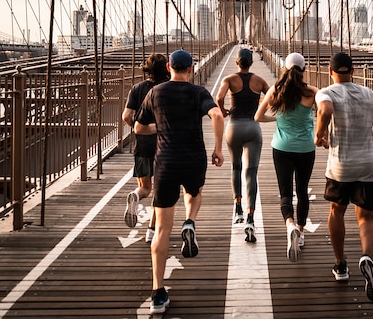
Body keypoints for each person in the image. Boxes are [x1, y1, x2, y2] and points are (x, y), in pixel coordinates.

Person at [134, 49, 224, 314]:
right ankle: (190, 221)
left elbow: (138, 127)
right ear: (192, 69)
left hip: (165, 163)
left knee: (161, 229)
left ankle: (158, 294)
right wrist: (218, 149)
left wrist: (158, 128)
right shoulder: (199, 93)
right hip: (193, 159)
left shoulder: (155, 92)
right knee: (194, 194)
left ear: (170, 67)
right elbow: (217, 116)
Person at [314, 52, 373, 302]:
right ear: (353, 71)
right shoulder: (368, 93)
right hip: (368, 166)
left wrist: (320, 133)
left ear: (331, 71)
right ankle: (367, 257)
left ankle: (340, 265)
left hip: (341, 166)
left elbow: (325, 110)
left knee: (336, 212)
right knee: (366, 217)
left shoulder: (327, 92)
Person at [255, 53, 318, 262]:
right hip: (305, 149)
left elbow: (257, 116)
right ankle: (300, 233)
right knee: (302, 191)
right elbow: (328, 105)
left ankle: (289, 224)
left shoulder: (275, 91)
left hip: (281, 148)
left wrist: (277, 119)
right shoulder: (310, 93)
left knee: (285, 192)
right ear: (304, 70)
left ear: (284, 68)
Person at [216, 48, 269, 243]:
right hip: (253, 128)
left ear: (237, 62)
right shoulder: (259, 81)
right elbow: (272, 96)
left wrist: (224, 112)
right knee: (251, 173)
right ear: (251, 63)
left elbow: (219, 97)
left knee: (236, 167)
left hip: (234, 127)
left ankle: (237, 207)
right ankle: (250, 218)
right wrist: (261, 112)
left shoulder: (229, 79)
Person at [122, 53, 170, 242]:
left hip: (141, 144)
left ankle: (135, 196)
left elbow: (126, 116)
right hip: (164, 145)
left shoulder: (137, 88)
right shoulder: (168, 89)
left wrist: (137, 128)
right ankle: (151, 232)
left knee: (145, 188)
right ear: (167, 68)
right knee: (160, 191)